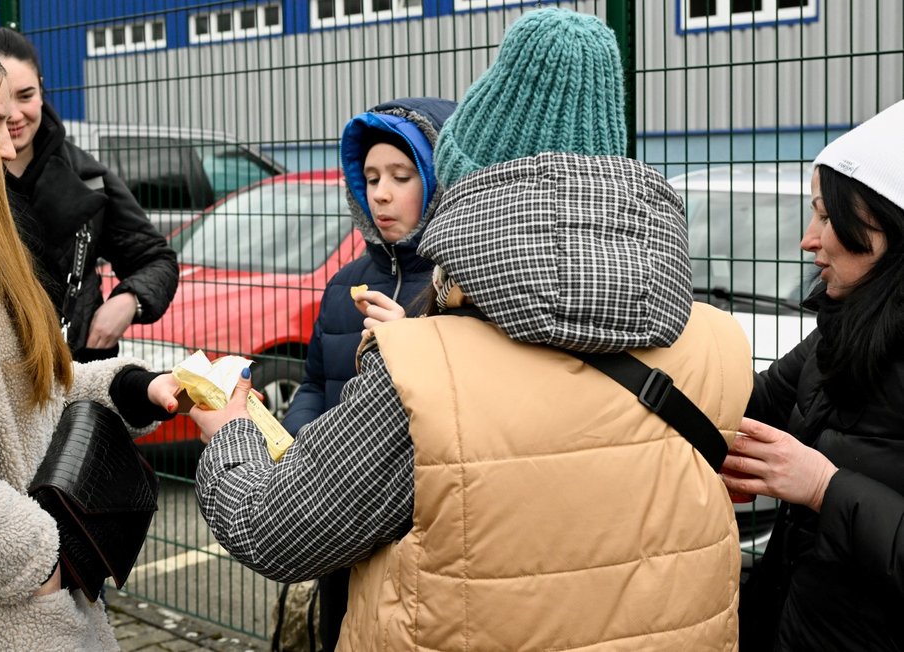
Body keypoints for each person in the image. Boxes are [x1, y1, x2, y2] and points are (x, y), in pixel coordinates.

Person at [192, 9, 753, 650]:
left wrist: (233, 436)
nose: (384, 193)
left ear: (465, 193)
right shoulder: (721, 346)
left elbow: (279, 531)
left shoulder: (426, 376)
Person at [0, 27, 182, 651]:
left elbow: (18, 385)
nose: (7, 139)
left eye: (21, 104)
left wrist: (131, 386)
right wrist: (45, 559)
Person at [721, 99, 904, 652]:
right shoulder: (842, 329)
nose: (808, 239)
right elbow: (754, 402)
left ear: (889, 228)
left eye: (827, 216)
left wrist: (825, 488)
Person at [280, 96, 455, 649]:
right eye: (371, 176)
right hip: (340, 522)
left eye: (401, 176)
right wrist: (299, 442)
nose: (380, 192)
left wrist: (411, 341)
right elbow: (314, 382)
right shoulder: (344, 283)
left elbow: (463, 404)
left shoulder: (460, 287)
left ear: (438, 181)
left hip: (418, 532)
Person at [0, 27, 179, 363]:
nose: (14, 115)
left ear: (41, 87)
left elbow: (156, 259)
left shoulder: (89, 178)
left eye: (25, 96)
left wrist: (128, 301)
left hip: (80, 373)